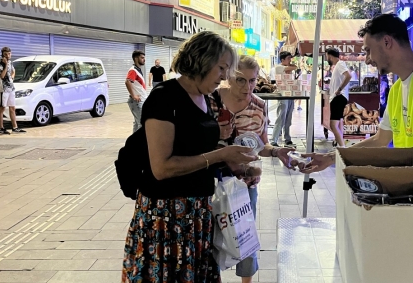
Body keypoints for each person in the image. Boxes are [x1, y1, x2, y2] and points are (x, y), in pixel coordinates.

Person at [122, 31, 257, 283]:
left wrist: (236, 164)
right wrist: (220, 155)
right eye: (222, 68)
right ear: (202, 61)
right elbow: (161, 167)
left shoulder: (204, 97)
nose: (225, 77)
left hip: (196, 213)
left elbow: (197, 149)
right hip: (167, 216)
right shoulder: (165, 97)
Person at [292, 14, 413, 177]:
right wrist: (331, 157)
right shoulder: (397, 89)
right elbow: (380, 140)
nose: (367, 60)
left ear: (387, 42)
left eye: (369, 51)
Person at [209, 55, 294, 283]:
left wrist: (276, 151)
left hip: (245, 186)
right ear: (229, 77)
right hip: (212, 184)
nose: (247, 86)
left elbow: (262, 144)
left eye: (252, 80)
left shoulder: (259, 105)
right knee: (210, 238)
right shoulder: (211, 100)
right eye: (240, 80)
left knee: (245, 239)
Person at [271, 51, 297, 148]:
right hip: (282, 94)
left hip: (290, 94)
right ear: (282, 60)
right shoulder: (279, 67)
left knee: (288, 118)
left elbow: (293, 67)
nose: (290, 60)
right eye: (288, 58)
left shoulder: (286, 67)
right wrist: (291, 66)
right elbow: (294, 67)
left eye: (290, 58)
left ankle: (287, 139)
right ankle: (274, 140)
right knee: (281, 117)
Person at [0, 47, 26, 134]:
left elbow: (13, 71)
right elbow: (1, 76)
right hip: (3, 89)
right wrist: (5, 65)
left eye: (9, 54)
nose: (8, 56)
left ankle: (15, 127)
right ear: (2, 54)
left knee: (12, 107)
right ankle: (1, 128)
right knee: (2, 108)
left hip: (11, 88)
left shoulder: (10, 62)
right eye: (5, 54)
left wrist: (12, 77)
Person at [326, 48, 351, 148]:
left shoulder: (340, 64)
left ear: (330, 56)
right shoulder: (337, 66)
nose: (326, 58)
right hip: (337, 97)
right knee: (338, 123)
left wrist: (339, 89)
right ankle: (341, 145)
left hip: (338, 97)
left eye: (326, 56)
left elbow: (348, 76)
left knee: (333, 124)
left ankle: (342, 147)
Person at [125, 50, 147, 133]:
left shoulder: (138, 70)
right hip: (137, 101)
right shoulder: (133, 70)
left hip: (140, 100)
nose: (144, 59)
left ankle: (133, 144)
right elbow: (127, 82)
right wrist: (133, 95)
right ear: (136, 58)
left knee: (137, 123)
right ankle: (138, 144)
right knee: (141, 123)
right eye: (142, 58)